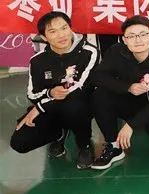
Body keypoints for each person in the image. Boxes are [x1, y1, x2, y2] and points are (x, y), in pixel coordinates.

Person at [10, 12, 98, 169]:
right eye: (53, 31)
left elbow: (79, 88)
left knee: (74, 105)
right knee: (19, 142)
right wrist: (49, 93)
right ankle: (59, 133)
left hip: (81, 105)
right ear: (44, 37)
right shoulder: (37, 60)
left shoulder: (89, 52)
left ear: (70, 28)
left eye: (64, 28)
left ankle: (84, 143)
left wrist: (40, 107)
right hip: (51, 108)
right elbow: (32, 94)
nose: (61, 35)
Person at [90, 16, 149, 169]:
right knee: (100, 95)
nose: (138, 40)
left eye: (143, 34)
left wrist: (131, 125)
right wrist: (128, 87)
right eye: (131, 36)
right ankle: (114, 146)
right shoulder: (116, 52)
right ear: (124, 40)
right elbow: (98, 76)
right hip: (130, 102)